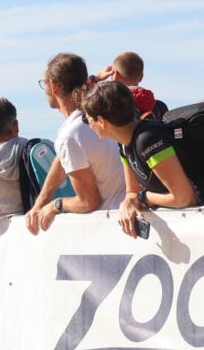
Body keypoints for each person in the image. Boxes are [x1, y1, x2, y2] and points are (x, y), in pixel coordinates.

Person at [80, 81, 197, 237]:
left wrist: (143, 198)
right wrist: (127, 203)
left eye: (89, 120)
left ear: (101, 121)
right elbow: (131, 191)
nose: (89, 126)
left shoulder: (148, 139)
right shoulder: (123, 143)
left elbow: (184, 198)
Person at [25, 53, 126, 234]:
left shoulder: (70, 135)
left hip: (115, 227)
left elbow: (89, 202)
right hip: (125, 216)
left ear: (54, 87)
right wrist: (39, 203)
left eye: (44, 83)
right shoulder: (97, 116)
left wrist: (56, 205)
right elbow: (62, 160)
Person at [94, 51, 164, 120]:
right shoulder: (159, 107)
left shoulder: (108, 104)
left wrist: (96, 78)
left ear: (114, 75)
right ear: (141, 77)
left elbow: (84, 98)